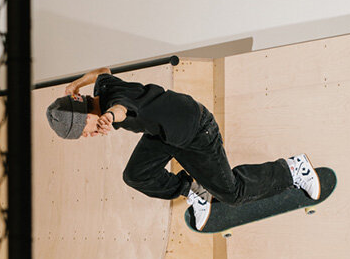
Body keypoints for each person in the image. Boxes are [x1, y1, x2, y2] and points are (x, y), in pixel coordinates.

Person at [45, 67, 320, 230]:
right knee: (135, 175)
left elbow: (123, 108)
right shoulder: (104, 88)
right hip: (165, 134)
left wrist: (110, 117)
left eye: (84, 130)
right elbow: (103, 71)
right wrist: (75, 84)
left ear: (86, 114)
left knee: (232, 194)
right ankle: (193, 189)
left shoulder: (113, 102)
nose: (89, 135)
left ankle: (293, 169)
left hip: (196, 130)